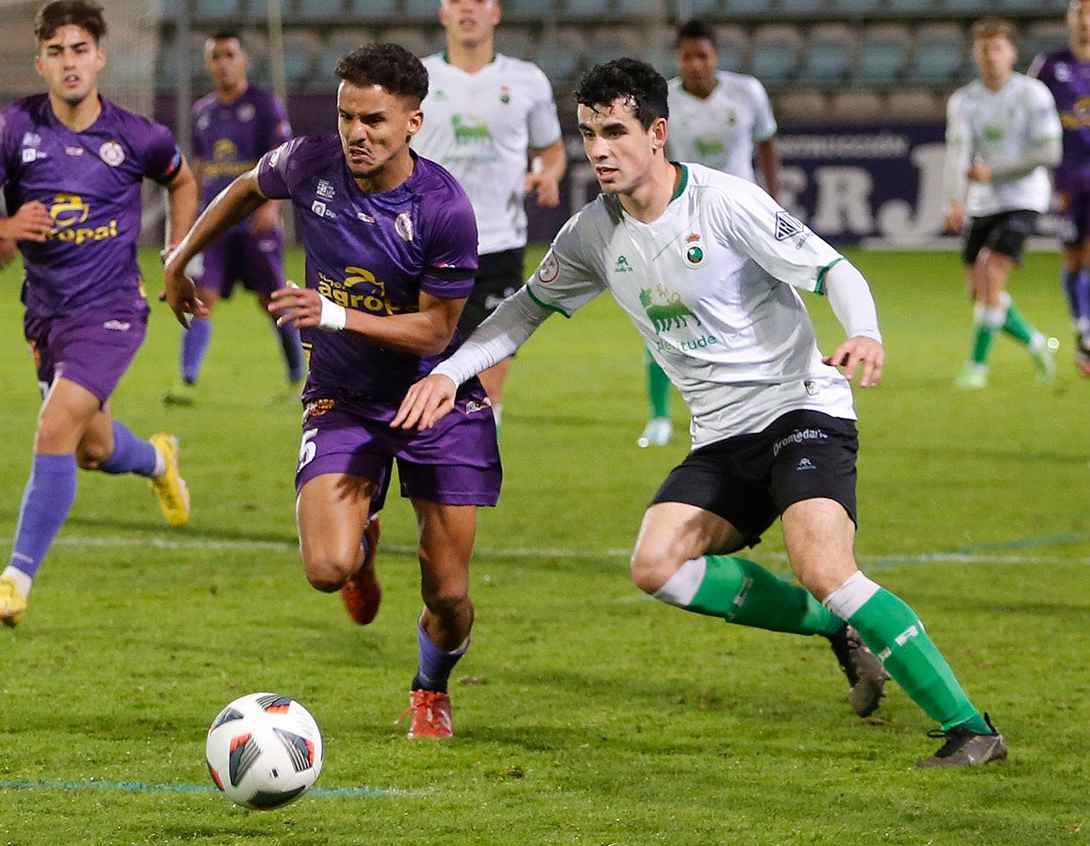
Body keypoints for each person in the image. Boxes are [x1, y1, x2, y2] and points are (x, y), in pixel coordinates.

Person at [395, 57, 1007, 768]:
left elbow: (834, 269)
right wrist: (448, 372)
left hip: (798, 407)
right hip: (720, 435)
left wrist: (863, 330)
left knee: (824, 566)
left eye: (614, 131)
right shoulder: (591, 233)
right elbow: (524, 311)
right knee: (657, 565)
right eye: (588, 132)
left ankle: (970, 729)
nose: (597, 149)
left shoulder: (724, 202)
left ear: (657, 133)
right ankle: (837, 630)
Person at [162, 43, 501, 739]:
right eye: (347, 115)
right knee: (327, 567)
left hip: (437, 398)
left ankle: (430, 686)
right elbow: (248, 187)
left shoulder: (443, 208)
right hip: (345, 394)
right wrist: (181, 254)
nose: (356, 132)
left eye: (374, 119)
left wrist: (336, 314)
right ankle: (362, 539)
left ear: (413, 121)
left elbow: (437, 330)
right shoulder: (312, 162)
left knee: (449, 590)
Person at [0, 0, 195, 627]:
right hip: (46, 315)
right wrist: (7, 222)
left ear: (100, 58)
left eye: (80, 50)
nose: (69, 63)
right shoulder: (12, 128)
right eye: (56, 52)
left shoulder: (138, 135)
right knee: (91, 448)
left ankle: (14, 581)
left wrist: (177, 257)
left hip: (113, 309)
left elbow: (184, 182)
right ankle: (160, 460)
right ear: (41, 63)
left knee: (53, 430)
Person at [409, 0, 566, 431]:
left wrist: (548, 173)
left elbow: (552, 149)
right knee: (424, 373)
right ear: (442, 12)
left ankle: (476, 480)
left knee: (487, 382)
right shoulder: (417, 79)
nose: (468, 7)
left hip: (498, 247)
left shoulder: (526, 80)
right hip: (426, 246)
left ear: (496, 11)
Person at [648, 17, 782, 447]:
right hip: (686, 219)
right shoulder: (663, 99)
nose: (695, 64)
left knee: (755, 305)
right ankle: (659, 415)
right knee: (665, 312)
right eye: (686, 57)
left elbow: (767, 143)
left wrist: (773, 201)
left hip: (743, 218)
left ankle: (767, 402)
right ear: (677, 60)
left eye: (702, 55)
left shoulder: (747, 92)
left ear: (716, 57)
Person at [164, 30, 303, 404]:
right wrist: (192, 218)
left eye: (230, 55)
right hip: (215, 221)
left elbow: (281, 161)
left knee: (271, 300)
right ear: (208, 64)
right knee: (201, 296)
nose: (223, 63)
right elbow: (199, 166)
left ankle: (297, 376)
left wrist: (270, 208)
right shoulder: (203, 112)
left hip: (254, 219)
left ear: (244, 61)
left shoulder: (263, 105)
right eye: (216, 56)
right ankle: (186, 382)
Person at [943, 17, 1063, 389]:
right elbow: (958, 153)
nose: (990, 56)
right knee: (979, 291)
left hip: (1025, 197)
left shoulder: (1033, 94)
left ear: (1012, 53)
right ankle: (1036, 342)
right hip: (983, 201)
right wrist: (954, 201)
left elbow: (1050, 152)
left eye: (997, 48)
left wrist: (995, 171)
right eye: (983, 49)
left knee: (991, 273)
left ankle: (976, 367)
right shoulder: (964, 101)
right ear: (974, 54)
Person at [1029, 0, 1090, 375]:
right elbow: (1026, 116)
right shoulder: (1050, 67)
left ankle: (1087, 338)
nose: (1084, 20)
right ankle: (1081, 331)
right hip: (1067, 183)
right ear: (1069, 19)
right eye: (1078, 12)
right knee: (1072, 264)